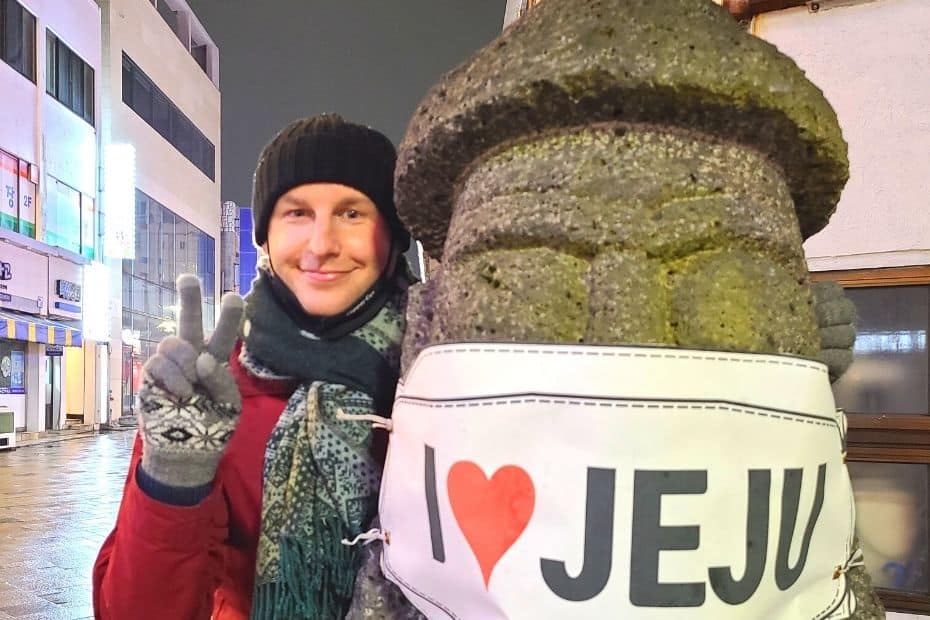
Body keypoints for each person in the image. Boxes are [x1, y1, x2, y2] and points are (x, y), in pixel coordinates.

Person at [93, 114, 415, 620]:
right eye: (297, 214)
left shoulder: (437, 377)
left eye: (352, 214)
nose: (321, 244)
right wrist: (173, 479)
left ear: (394, 240)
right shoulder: (215, 388)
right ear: (264, 238)